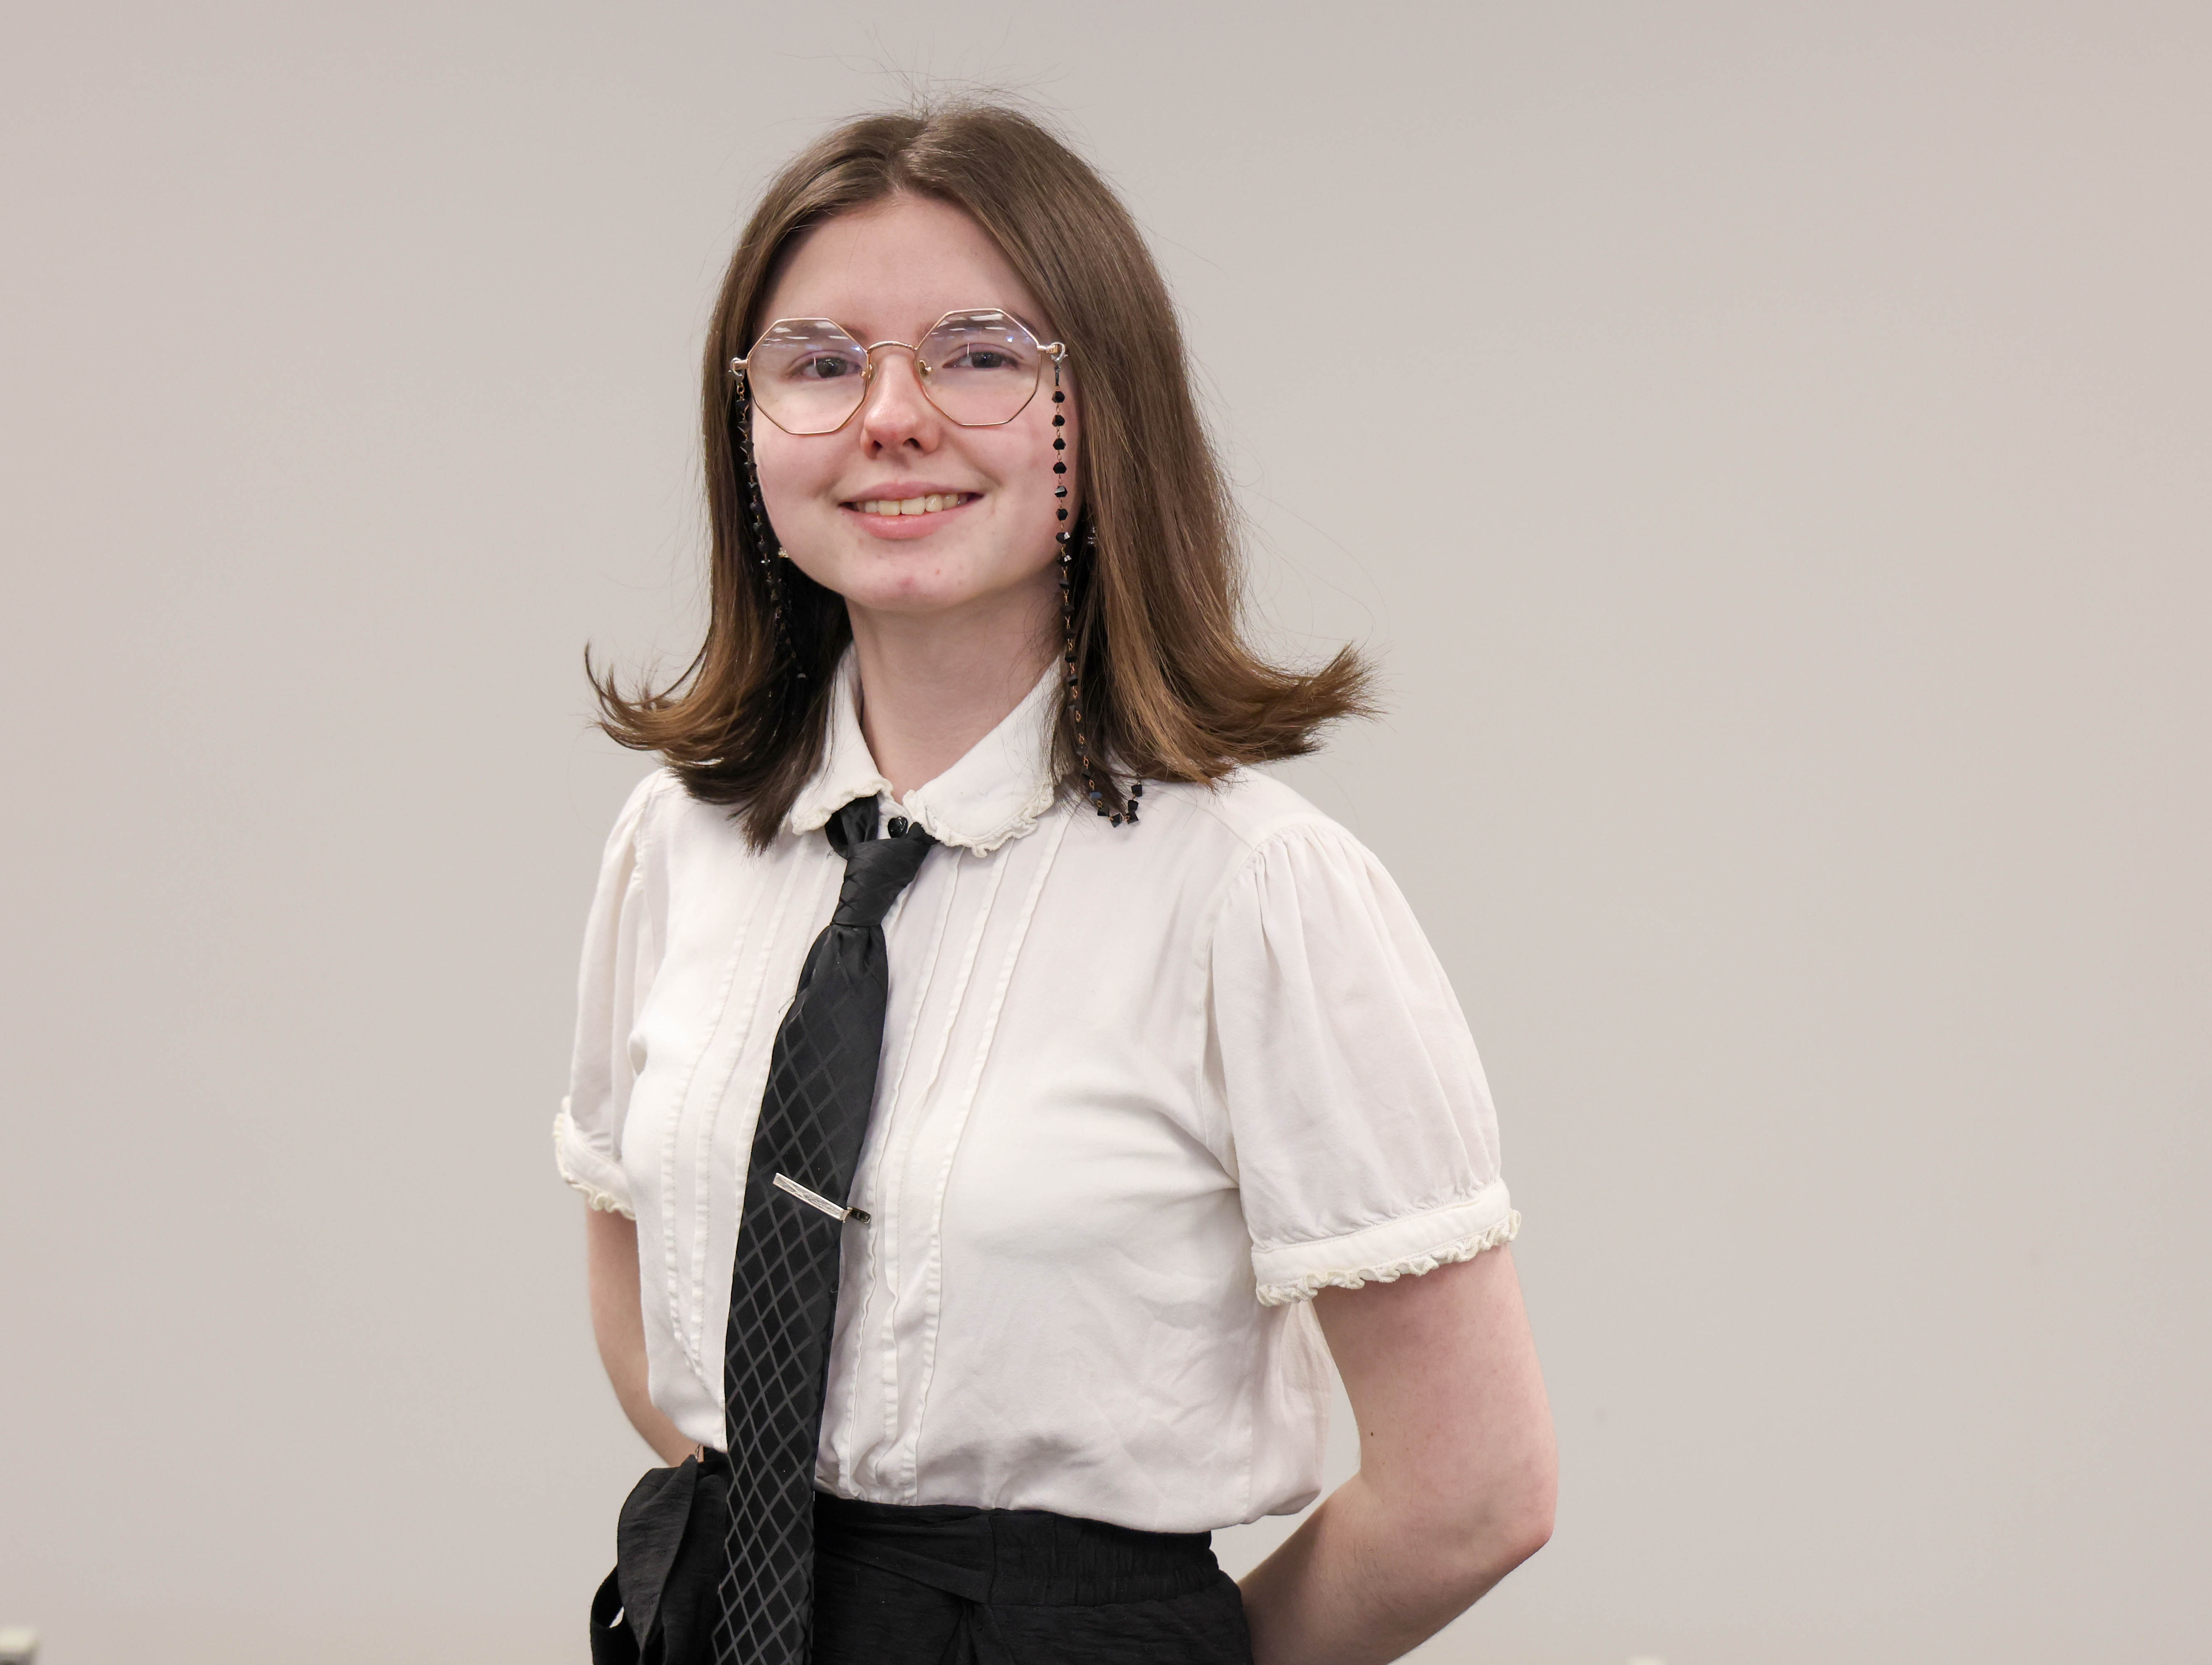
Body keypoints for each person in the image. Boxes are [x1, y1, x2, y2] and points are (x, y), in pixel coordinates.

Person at [557, 99, 1557, 1665]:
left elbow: (1473, 1490)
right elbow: (645, 1301)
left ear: (1102, 407)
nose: (890, 417)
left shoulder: (1259, 894)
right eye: (820, 362)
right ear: (747, 426)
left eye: (978, 354)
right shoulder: (678, 843)